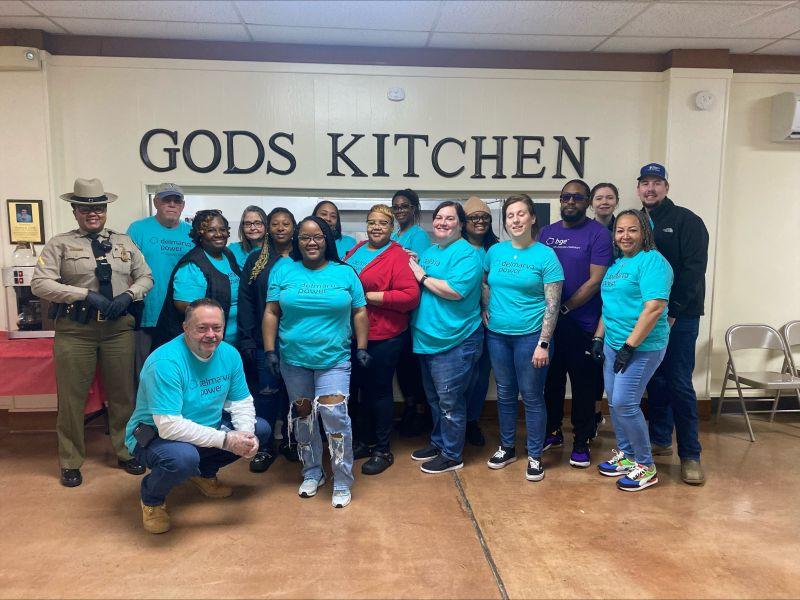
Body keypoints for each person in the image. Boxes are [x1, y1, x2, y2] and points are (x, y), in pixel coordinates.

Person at [31, 177, 153, 487]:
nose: (92, 213)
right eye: (85, 208)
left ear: (105, 208)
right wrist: (84, 294)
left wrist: (129, 295)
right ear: (75, 210)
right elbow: (40, 284)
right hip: (76, 330)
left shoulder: (124, 242)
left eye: (98, 207)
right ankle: (70, 461)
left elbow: (146, 277)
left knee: (124, 396)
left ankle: (127, 451)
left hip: (118, 330)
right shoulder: (59, 244)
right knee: (72, 399)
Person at [126, 298, 270, 534]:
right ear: (186, 328)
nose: (210, 335)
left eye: (217, 328)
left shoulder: (229, 354)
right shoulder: (165, 362)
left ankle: (204, 474)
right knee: (183, 458)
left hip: (204, 426)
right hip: (153, 435)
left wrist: (243, 434)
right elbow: (169, 427)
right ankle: (152, 499)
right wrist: (226, 440)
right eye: (201, 328)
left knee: (259, 430)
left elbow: (240, 402)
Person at [263, 216, 369, 508]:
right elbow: (272, 312)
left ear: (327, 241)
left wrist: (361, 347)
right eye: (305, 237)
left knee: (335, 416)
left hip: (333, 358)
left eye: (318, 237)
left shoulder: (345, 273)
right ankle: (312, 471)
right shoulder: (283, 270)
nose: (311, 242)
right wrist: (270, 351)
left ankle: (343, 478)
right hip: (294, 359)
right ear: (297, 242)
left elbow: (359, 311)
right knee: (304, 417)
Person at [637, 163, 709, 485]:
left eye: (656, 183)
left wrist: (674, 310)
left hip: (680, 316)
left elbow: (694, 271)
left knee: (679, 382)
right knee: (654, 380)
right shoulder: (634, 222)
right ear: (639, 188)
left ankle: (691, 455)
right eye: (645, 183)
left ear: (666, 186)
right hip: (645, 315)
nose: (650, 189)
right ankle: (660, 438)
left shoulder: (687, 221)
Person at [483, 194, 563, 482]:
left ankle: (534, 455)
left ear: (532, 218)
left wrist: (544, 343)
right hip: (498, 336)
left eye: (521, 214)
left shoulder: (546, 256)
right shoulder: (495, 252)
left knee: (531, 396)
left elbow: (553, 304)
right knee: (504, 393)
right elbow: (484, 281)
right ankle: (507, 448)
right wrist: (484, 306)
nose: (515, 220)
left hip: (531, 337)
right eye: (510, 216)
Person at [593, 209, 673, 492]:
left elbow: (654, 308)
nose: (625, 236)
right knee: (614, 402)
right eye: (620, 230)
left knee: (626, 403)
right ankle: (627, 456)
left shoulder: (652, 262)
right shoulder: (616, 266)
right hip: (614, 344)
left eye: (632, 230)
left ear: (645, 232)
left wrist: (630, 346)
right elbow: (609, 307)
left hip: (642, 347)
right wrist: (598, 338)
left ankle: (646, 465)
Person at [540, 179, 613, 469]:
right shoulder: (547, 233)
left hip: (582, 323)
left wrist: (566, 307)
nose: (571, 202)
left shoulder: (599, 234)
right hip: (550, 325)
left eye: (578, 198)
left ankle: (581, 441)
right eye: (566, 197)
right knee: (551, 383)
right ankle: (553, 432)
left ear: (587, 202)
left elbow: (596, 280)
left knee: (583, 386)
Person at [344, 204, 420, 475]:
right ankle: (365, 441)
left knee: (379, 391)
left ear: (393, 228)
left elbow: (410, 297)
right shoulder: (357, 249)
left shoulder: (398, 255)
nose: (376, 227)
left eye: (383, 223)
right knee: (360, 391)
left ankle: (383, 449)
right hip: (354, 334)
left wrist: (366, 298)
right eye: (371, 222)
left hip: (383, 335)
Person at [408, 201, 483, 474]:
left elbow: (454, 290)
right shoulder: (430, 251)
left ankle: (452, 454)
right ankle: (439, 443)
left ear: (460, 224)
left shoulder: (467, 254)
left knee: (450, 401)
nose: (442, 223)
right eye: (438, 217)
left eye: (449, 219)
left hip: (455, 340)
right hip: (428, 339)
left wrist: (422, 275)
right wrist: (414, 262)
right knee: (436, 400)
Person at [237, 207, 297, 472]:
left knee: (295, 395)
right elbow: (247, 302)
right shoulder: (256, 260)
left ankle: (293, 441)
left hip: (298, 341)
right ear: (268, 228)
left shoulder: (304, 256)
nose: (281, 228)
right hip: (265, 342)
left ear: (294, 227)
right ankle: (265, 447)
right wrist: (248, 339)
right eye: (275, 224)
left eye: (286, 223)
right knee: (268, 394)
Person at [127, 183, 193, 374]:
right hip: (148, 313)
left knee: (178, 369)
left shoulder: (191, 233)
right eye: (166, 200)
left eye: (176, 200)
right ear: (156, 202)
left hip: (181, 315)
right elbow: (126, 270)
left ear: (182, 205)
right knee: (145, 370)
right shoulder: (138, 229)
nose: (172, 204)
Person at [154, 210, 241, 348]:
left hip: (230, 343)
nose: (219, 234)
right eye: (211, 230)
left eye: (222, 229)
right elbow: (187, 309)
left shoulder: (227, 255)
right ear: (200, 233)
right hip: (202, 345)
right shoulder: (192, 265)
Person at [390, 188, 431, 436]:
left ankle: (419, 413)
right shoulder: (395, 234)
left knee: (412, 366)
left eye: (404, 206)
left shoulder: (419, 236)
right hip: (396, 312)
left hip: (411, 310)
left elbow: (420, 272)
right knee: (403, 367)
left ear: (414, 209)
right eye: (396, 207)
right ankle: (409, 408)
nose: (400, 211)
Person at [462, 196, 500, 447]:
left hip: (491, 321)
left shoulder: (497, 249)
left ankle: (471, 422)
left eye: (484, 217)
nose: (480, 222)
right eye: (474, 217)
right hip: (463, 322)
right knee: (463, 375)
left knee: (481, 375)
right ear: (464, 222)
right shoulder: (455, 248)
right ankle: (455, 421)